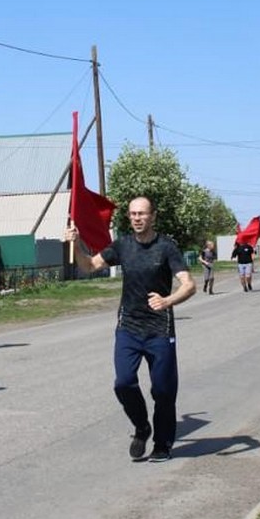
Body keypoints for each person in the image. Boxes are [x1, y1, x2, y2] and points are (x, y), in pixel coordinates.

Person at [65, 196, 195, 463]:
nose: (137, 218)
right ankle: (141, 426)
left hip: (160, 328)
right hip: (129, 327)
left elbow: (189, 285)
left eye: (142, 214)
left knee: (163, 391)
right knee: (123, 382)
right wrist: (76, 244)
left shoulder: (166, 247)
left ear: (153, 216)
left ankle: (162, 444)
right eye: (133, 214)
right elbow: (89, 266)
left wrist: (168, 300)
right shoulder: (122, 245)